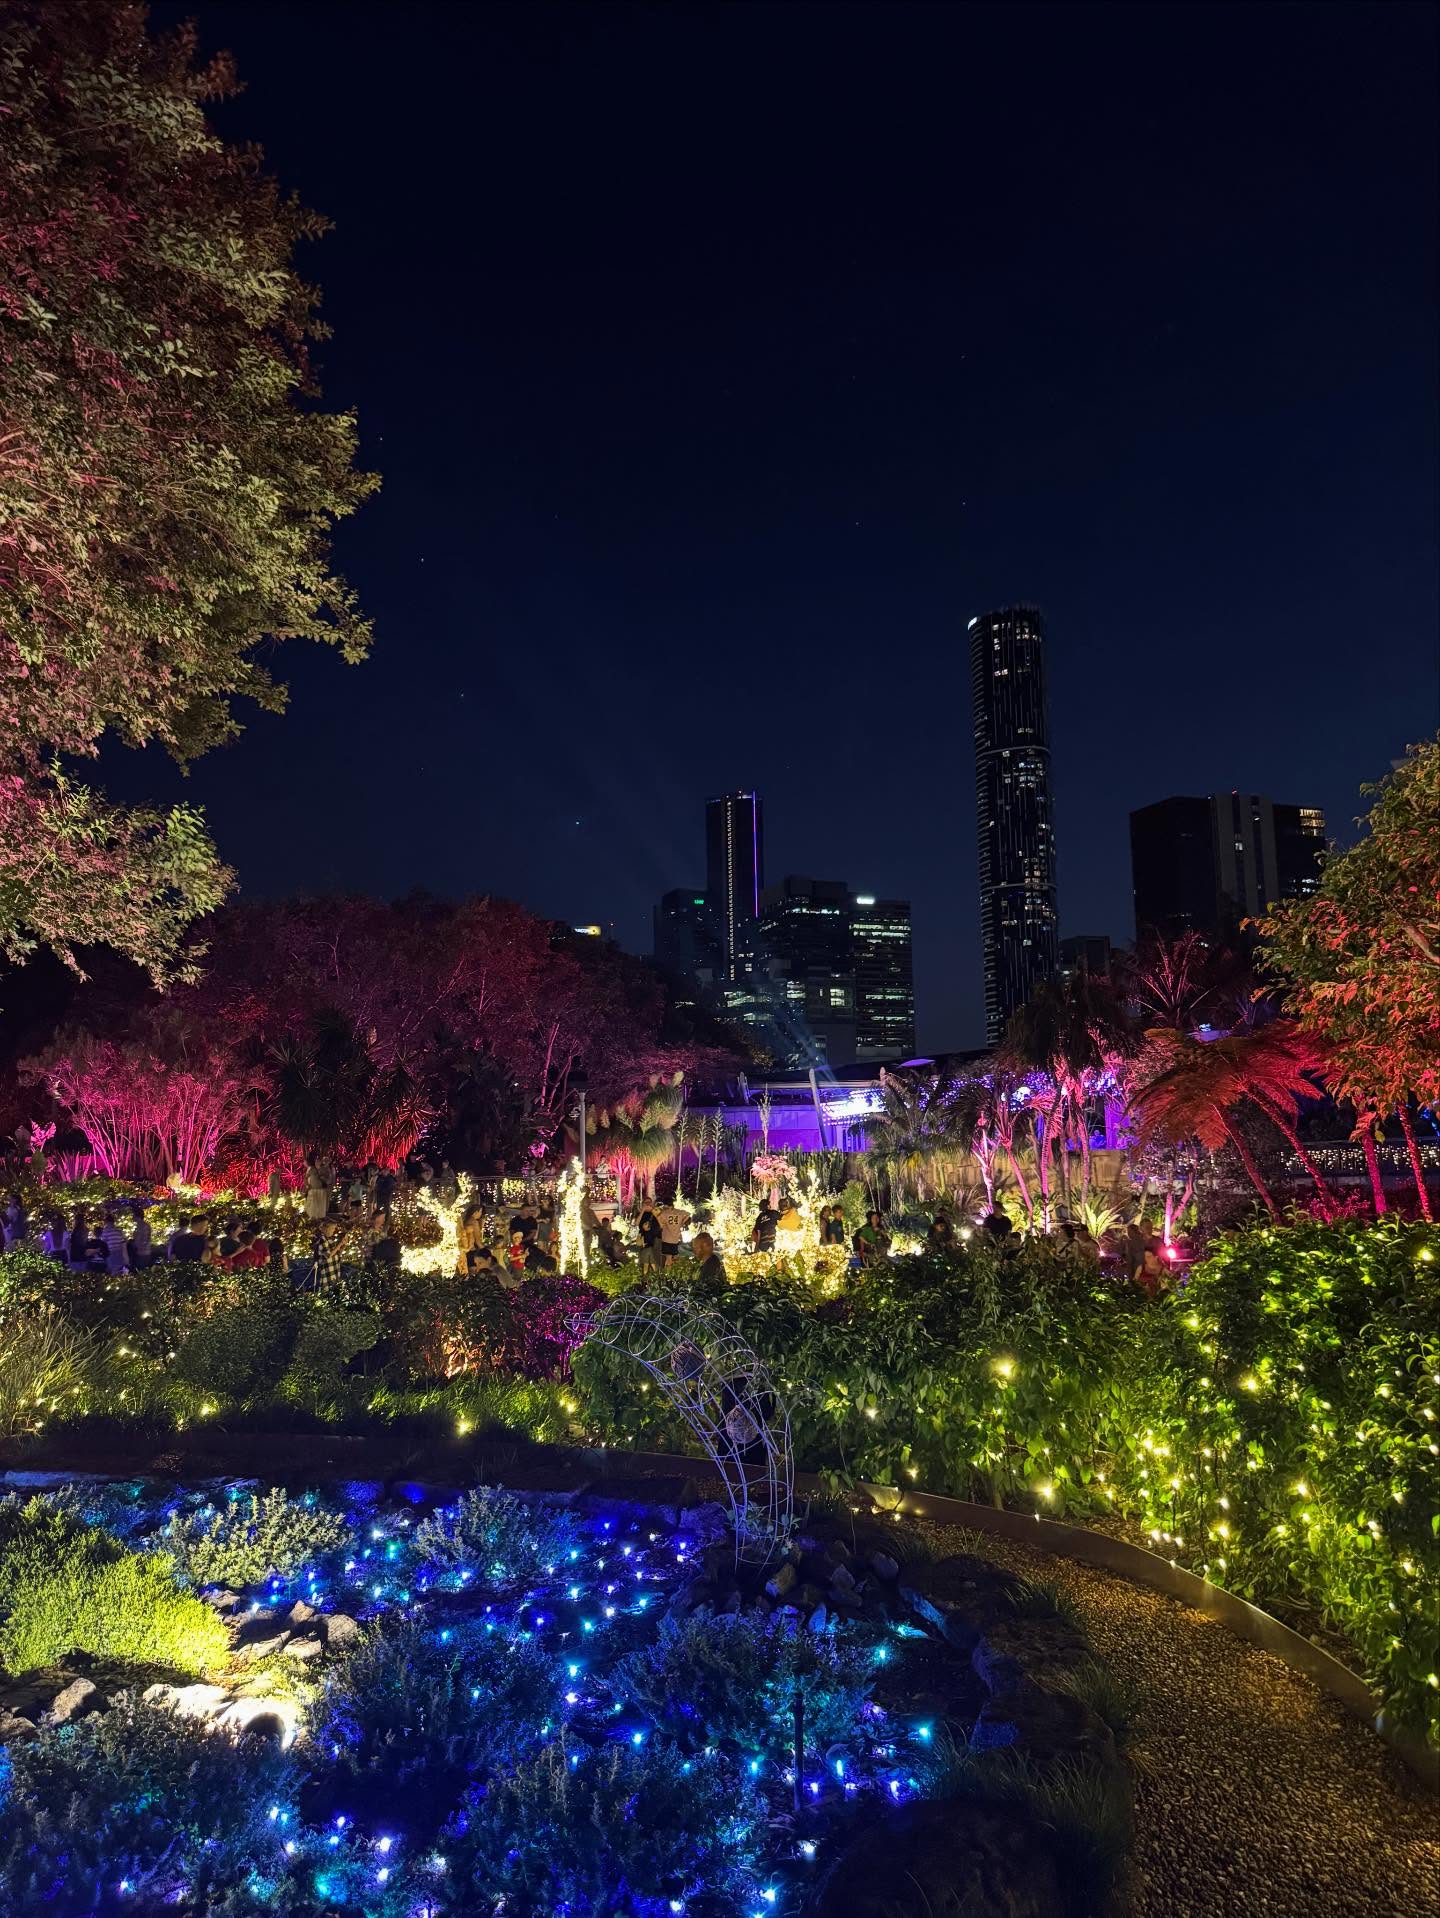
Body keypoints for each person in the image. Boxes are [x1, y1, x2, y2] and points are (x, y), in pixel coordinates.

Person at [654, 1198, 690, 1264]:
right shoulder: (679, 1212)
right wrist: (682, 1222)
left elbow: (661, 1224)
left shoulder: (665, 1213)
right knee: (675, 1257)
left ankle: (667, 1272)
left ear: (666, 1205)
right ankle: (675, 1270)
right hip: (675, 1239)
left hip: (667, 1238)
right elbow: (688, 1214)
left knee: (668, 1259)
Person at [98, 1210, 130, 1275]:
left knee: (113, 1269)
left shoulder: (105, 1231)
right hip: (120, 1252)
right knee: (120, 1269)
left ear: (106, 1222)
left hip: (111, 1252)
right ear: (113, 1222)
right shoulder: (118, 1231)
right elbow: (123, 1242)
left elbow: (103, 1243)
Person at [636, 1203, 663, 1272]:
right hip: (646, 1244)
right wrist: (643, 1210)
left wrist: (656, 1215)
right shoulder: (642, 1214)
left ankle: (655, 1275)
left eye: (649, 1202)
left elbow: (661, 1225)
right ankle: (649, 1277)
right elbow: (636, 1223)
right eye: (646, 1203)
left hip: (654, 1240)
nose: (648, 1205)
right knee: (646, 1263)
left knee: (653, 1262)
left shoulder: (655, 1213)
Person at [303, 1160, 330, 1225]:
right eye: (316, 1161)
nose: (317, 1163)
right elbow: (306, 1178)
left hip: (320, 1190)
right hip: (312, 1190)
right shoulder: (311, 1169)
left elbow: (327, 1179)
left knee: (319, 1205)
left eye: (318, 1161)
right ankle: (312, 1218)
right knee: (312, 1204)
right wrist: (307, 1186)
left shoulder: (324, 1169)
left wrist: (321, 1177)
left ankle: (318, 1220)